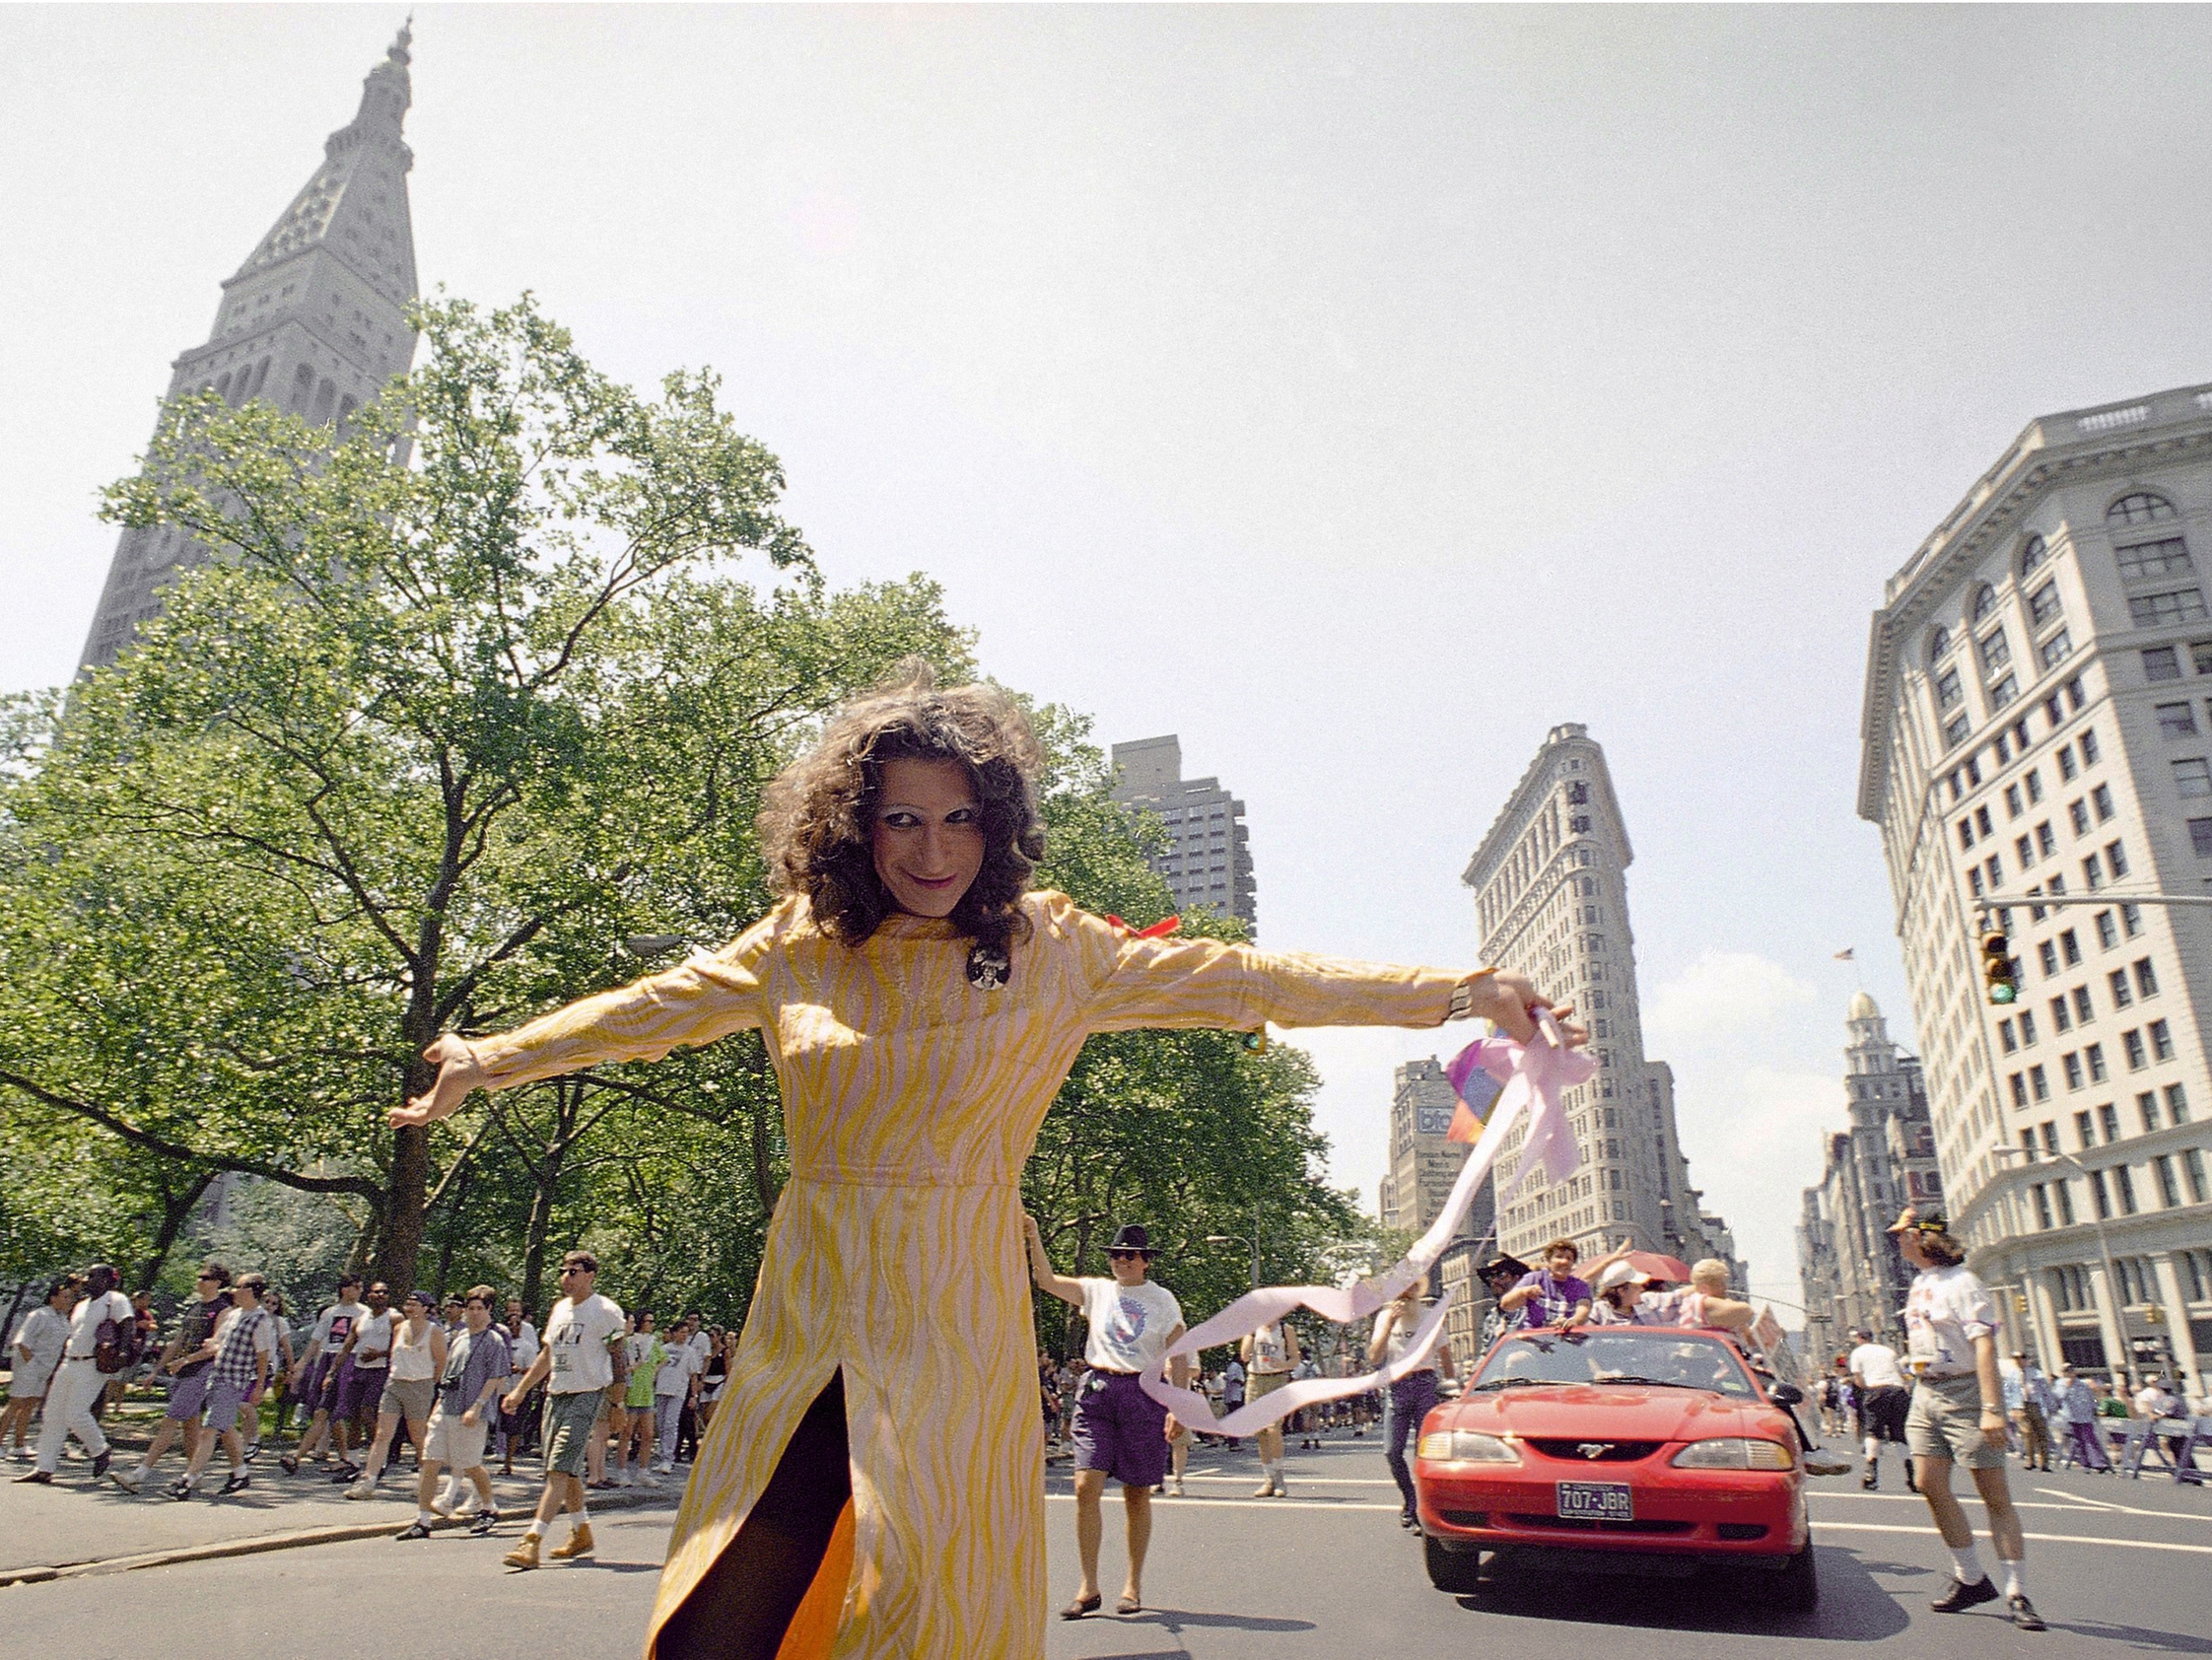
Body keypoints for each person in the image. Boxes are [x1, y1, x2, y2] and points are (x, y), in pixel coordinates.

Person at [391, 664, 1577, 1660]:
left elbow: (1247, 981)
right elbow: (648, 1009)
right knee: (728, 1601)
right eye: (902, 817)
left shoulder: (1055, 948)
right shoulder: (802, 946)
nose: (933, 847)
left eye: (959, 818)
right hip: (806, 1317)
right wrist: (488, 1057)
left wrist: (1455, 994)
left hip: (953, 1325)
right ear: (855, 826)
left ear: (996, 824)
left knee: (930, 1597)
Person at [1025, 1217, 1188, 1620]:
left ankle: (1132, 1584)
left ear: (1146, 1261)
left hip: (1143, 1393)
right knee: (1085, 1485)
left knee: (1136, 1493)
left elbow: (1179, 1355)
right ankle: (1089, 1587)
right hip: (1098, 1390)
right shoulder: (1095, 1291)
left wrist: (1177, 1405)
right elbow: (1045, 1280)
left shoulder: (1163, 1300)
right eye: (1117, 1255)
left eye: (1131, 1255)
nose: (1123, 1261)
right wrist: (1032, 1236)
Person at [1891, 1207, 2043, 1630]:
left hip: (1967, 1393)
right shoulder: (1921, 1283)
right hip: (1926, 1392)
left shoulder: (1964, 1283)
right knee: (1927, 1483)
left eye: (1903, 1234)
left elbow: (1984, 1346)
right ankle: (1971, 1578)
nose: (1898, 1241)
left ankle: (2017, 1591)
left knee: (1994, 1495)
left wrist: (1993, 1409)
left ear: (1924, 1238)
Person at [496, 1250, 625, 1569]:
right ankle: (581, 1532)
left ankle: (531, 1541)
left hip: (587, 1394)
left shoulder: (605, 1311)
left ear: (591, 1274)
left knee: (557, 1468)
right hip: (557, 1395)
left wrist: (618, 1402)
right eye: (563, 1271)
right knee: (566, 1471)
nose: (566, 1278)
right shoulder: (559, 1310)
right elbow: (547, 1356)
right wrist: (520, 1390)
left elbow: (618, 1359)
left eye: (574, 1271)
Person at [396, 1285, 512, 1540]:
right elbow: (448, 1376)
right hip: (447, 1407)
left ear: (489, 1310)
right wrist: (437, 1406)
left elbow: (495, 1377)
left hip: (471, 1412)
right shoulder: (459, 1338)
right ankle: (423, 1520)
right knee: (430, 1462)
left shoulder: (493, 1341)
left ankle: (489, 1507)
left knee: (469, 1464)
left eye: (479, 1309)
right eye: (470, 1309)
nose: (473, 1314)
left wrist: (477, 1406)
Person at [113, 1263, 233, 1492]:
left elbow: (215, 1347)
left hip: (201, 1372)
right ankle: (194, 1475)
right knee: (190, 1425)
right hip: (183, 1370)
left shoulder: (223, 1310)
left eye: (205, 1278)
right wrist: (156, 1371)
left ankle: (139, 1474)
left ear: (218, 1282)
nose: (200, 1281)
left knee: (170, 1421)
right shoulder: (195, 1308)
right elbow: (178, 1341)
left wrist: (186, 1361)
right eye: (199, 1276)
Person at [17, 1263, 133, 1485]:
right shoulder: (81, 1305)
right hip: (69, 1362)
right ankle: (44, 1468)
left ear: (106, 1280)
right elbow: (72, 1336)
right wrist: (58, 1365)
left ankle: (100, 1449)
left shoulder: (115, 1300)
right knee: (52, 1416)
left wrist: (124, 1352)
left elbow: (128, 1326)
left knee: (76, 1413)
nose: (86, 1280)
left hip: (92, 1364)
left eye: (92, 1276)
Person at [169, 1273, 275, 1500]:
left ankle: (188, 1479)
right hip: (216, 1378)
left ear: (251, 1290)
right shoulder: (234, 1315)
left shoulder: (260, 1320)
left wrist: (258, 1388)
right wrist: (191, 1357)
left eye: (239, 1287)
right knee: (225, 1428)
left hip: (234, 1382)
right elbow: (217, 1344)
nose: (234, 1291)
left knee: (208, 1431)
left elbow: (263, 1356)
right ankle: (240, 1473)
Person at [1369, 1273, 1452, 1532]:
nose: (1406, 1293)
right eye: (1400, 1289)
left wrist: (1453, 1387)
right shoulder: (1385, 1317)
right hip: (1397, 1385)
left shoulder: (1430, 1316)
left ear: (1418, 1291)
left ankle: (1419, 1509)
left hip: (1426, 1383)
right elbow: (1374, 1356)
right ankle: (1410, 1498)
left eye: (1411, 1288)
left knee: (1423, 1451)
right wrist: (1388, 1324)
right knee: (1392, 1451)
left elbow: (1445, 1355)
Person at [347, 1290, 446, 1498]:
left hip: (419, 1385)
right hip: (395, 1384)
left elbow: (441, 1363)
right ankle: (368, 1481)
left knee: (418, 1435)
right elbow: (393, 1354)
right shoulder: (400, 1328)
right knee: (383, 1434)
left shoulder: (434, 1332)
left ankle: (426, 1480)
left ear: (425, 1308)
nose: (409, 1307)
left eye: (415, 1304)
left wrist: (430, 1384)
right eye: (407, 1303)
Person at [283, 1274, 368, 1474]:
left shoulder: (365, 1313)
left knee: (337, 1412)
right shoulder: (330, 1313)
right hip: (329, 1359)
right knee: (322, 1411)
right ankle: (300, 1457)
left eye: (361, 1287)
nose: (359, 1290)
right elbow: (315, 1341)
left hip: (351, 1360)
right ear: (344, 1289)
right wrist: (302, 1364)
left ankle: (343, 1457)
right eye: (356, 1286)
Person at [325, 1280, 397, 1480]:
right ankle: (353, 1462)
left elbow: (402, 1347)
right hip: (359, 1369)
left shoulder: (394, 1318)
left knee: (368, 1412)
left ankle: (379, 1459)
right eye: (376, 1292)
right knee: (353, 1416)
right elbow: (347, 1347)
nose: (380, 1295)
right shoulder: (360, 1319)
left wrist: (380, 1353)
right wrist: (331, 1373)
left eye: (384, 1292)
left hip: (380, 1370)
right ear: (369, 1295)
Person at [4, 1279, 75, 1460]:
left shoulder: (63, 1320)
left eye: (70, 1297)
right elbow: (22, 1342)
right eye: (65, 1296)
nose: (69, 1300)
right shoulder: (39, 1315)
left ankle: (19, 1444)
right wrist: (32, 1365)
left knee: (30, 1404)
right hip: (29, 1366)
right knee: (16, 1403)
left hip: (45, 1369)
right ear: (53, 1298)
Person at [1242, 1314, 1303, 1497]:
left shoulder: (1285, 1329)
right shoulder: (1253, 1328)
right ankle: (1268, 1479)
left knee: (1273, 1429)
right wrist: (1250, 1334)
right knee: (1261, 1432)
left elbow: (1295, 1359)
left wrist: (1284, 1364)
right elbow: (1244, 1356)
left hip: (1277, 1379)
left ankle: (1279, 1479)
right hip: (1255, 1380)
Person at [1848, 1325, 1914, 1492]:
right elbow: (1902, 1373)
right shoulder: (1888, 1351)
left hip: (1876, 1390)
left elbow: (1858, 1378)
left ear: (1859, 1338)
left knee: (1874, 1432)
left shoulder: (1858, 1353)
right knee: (1900, 1434)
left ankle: (1871, 1473)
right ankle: (1911, 1475)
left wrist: (1865, 1390)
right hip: (1897, 1390)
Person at [618, 1309, 668, 1487]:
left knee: (648, 1434)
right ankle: (622, 1471)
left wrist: (655, 1370)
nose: (652, 1325)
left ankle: (643, 1471)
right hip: (631, 1391)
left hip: (647, 1392)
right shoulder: (628, 1342)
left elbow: (664, 1359)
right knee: (627, 1432)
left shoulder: (653, 1342)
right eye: (649, 1321)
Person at [1500, 1238, 1592, 1332]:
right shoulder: (1533, 1278)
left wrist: (1572, 1322)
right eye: (1559, 1257)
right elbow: (1506, 1304)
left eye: (1569, 1258)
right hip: (1534, 1338)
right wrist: (1524, 1292)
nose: (1564, 1261)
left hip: (1567, 1340)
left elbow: (1583, 1311)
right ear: (1548, 1261)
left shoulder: (1580, 1286)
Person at [499, 1296, 540, 1474]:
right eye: (510, 1324)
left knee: (515, 1427)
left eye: (517, 1324)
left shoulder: (527, 1346)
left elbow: (533, 1369)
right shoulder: (500, 1344)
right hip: (502, 1389)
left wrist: (519, 1369)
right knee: (502, 1425)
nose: (514, 1327)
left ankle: (508, 1461)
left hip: (519, 1390)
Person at [1475, 1254, 1530, 1354]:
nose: (1494, 1280)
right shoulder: (1491, 1318)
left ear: (1517, 1278)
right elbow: (1486, 1353)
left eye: (1501, 1275)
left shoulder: (1531, 1309)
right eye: (1491, 1276)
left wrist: (1506, 1334)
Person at [2015, 1352, 2055, 1472]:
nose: (2018, 1361)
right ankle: (2030, 1460)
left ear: (2026, 1360)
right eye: (2016, 1359)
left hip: (2035, 1405)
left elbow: (2046, 1391)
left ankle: (2044, 1462)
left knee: (2041, 1434)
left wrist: (2050, 1406)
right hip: (2021, 1406)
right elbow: (2008, 1392)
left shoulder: (2037, 1374)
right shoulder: (2013, 1375)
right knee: (2026, 1434)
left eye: (2021, 1359)